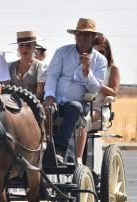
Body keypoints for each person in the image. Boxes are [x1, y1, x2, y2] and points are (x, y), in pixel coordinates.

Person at [43, 18, 107, 161]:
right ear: (75, 35)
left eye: (86, 35)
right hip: (56, 100)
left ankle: (60, 150)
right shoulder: (62, 52)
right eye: (79, 34)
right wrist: (49, 96)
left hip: (77, 103)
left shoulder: (100, 60)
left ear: (93, 38)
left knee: (74, 107)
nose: (82, 38)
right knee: (44, 112)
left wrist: (86, 71)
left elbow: (95, 87)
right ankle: (40, 148)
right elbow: (52, 75)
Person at [75, 35, 121, 163]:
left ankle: (77, 159)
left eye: (102, 52)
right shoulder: (84, 66)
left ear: (107, 52)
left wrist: (95, 83)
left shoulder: (112, 69)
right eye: (95, 52)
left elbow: (114, 92)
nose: (99, 55)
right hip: (81, 103)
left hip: (99, 107)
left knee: (84, 118)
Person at [8, 31, 46, 100]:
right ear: (18, 48)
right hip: (13, 105)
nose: (24, 49)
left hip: (33, 106)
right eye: (21, 45)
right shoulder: (9, 66)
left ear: (34, 47)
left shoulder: (40, 66)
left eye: (28, 45)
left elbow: (39, 94)